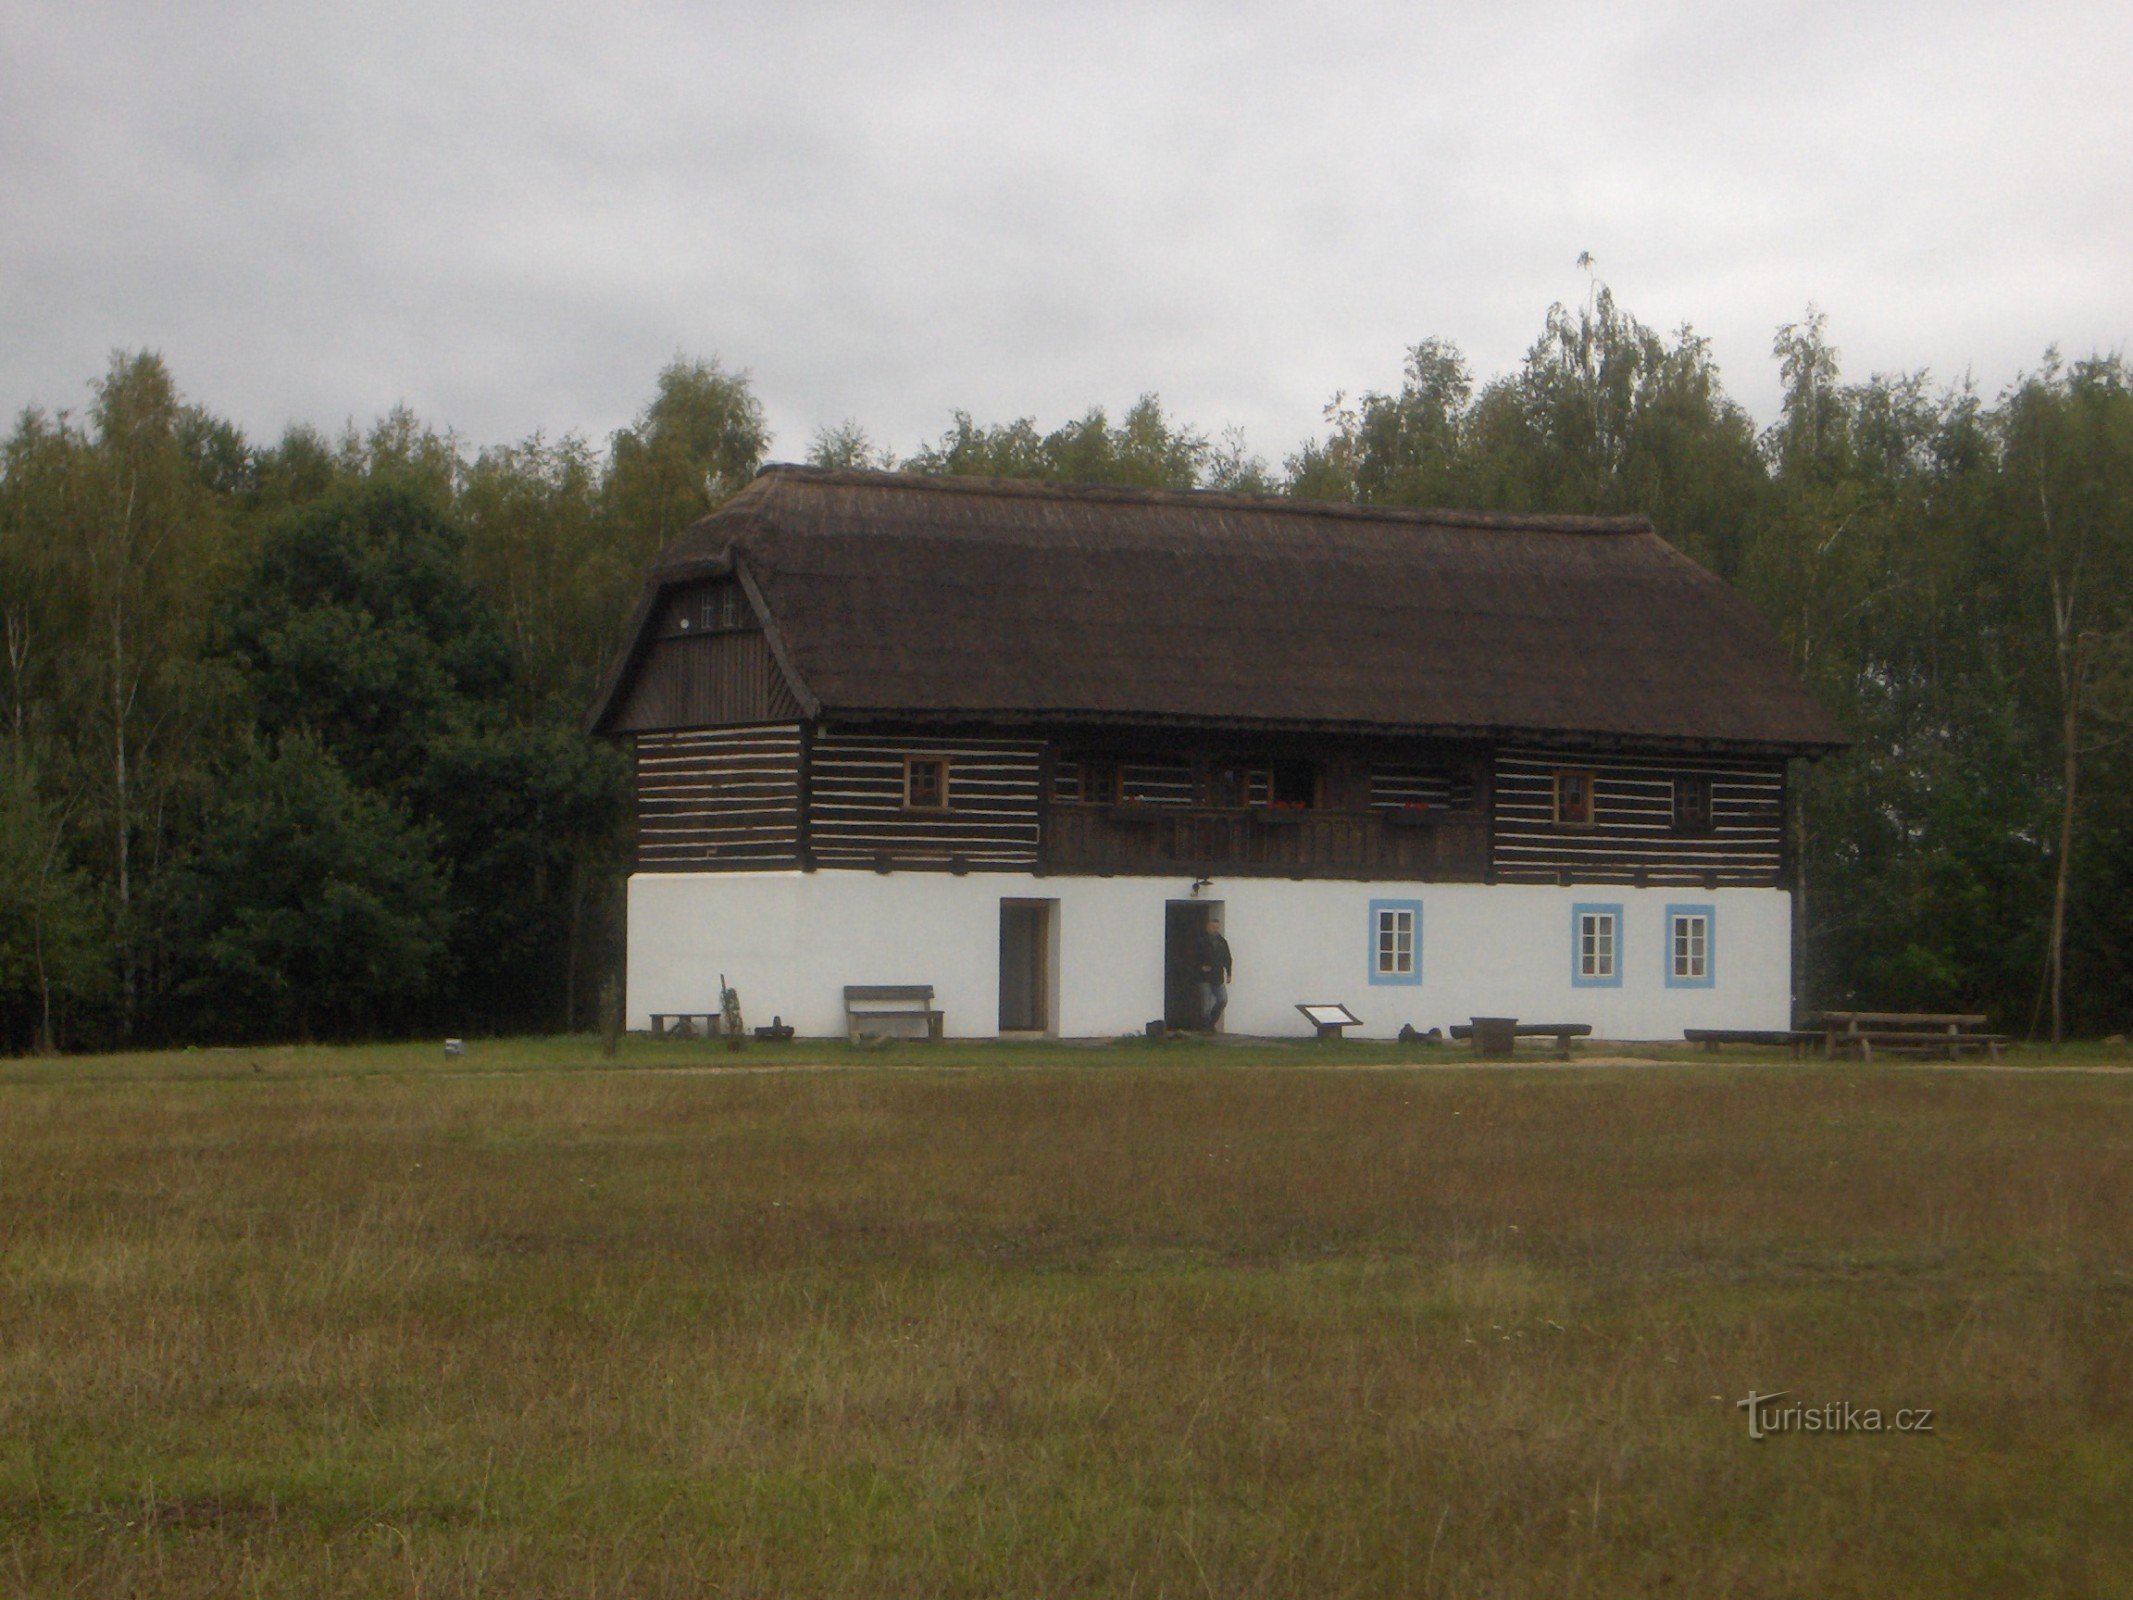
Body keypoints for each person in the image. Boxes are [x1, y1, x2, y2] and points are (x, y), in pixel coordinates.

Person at [1196, 912, 1233, 1031]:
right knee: (1205, 1006)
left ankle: (1211, 1023)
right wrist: (1200, 966)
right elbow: (1192, 957)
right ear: (1207, 927)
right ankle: (1206, 1028)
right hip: (1204, 977)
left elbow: (1227, 958)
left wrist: (1229, 973)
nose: (1215, 929)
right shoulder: (1201, 940)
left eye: (1217, 927)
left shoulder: (1222, 942)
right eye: (1213, 927)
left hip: (1218, 976)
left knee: (1223, 1000)